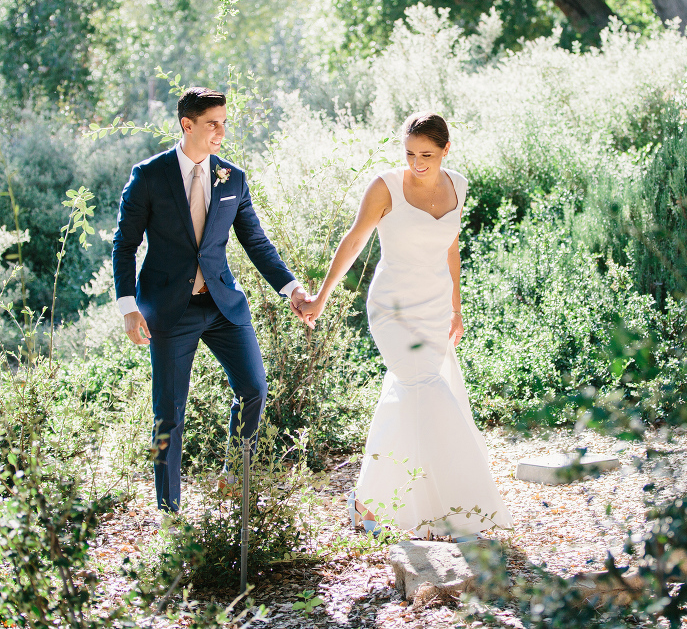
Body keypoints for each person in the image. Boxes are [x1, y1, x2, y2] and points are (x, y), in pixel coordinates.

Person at [300, 112, 513, 540]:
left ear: (445, 150)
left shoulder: (458, 184)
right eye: (411, 153)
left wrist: (456, 306)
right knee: (423, 389)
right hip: (393, 308)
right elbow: (355, 239)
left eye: (427, 155)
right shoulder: (385, 186)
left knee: (409, 397)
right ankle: (462, 506)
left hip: (435, 309)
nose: (418, 163)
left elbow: (451, 245)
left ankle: (376, 505)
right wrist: (321, 297)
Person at [112, 87, 309, 513]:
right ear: (187, 125)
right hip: (168, 310)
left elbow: (255, 241)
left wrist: (292, 288)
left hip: (222, 305)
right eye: (212, 123)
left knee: (254, 389)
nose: (221, 131)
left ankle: (233, 479)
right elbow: (124, 244)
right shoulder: (149, 175)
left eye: (224, 122)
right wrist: (129, 308)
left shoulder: (232, 177)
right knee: (169, 414)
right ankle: (169, 513)